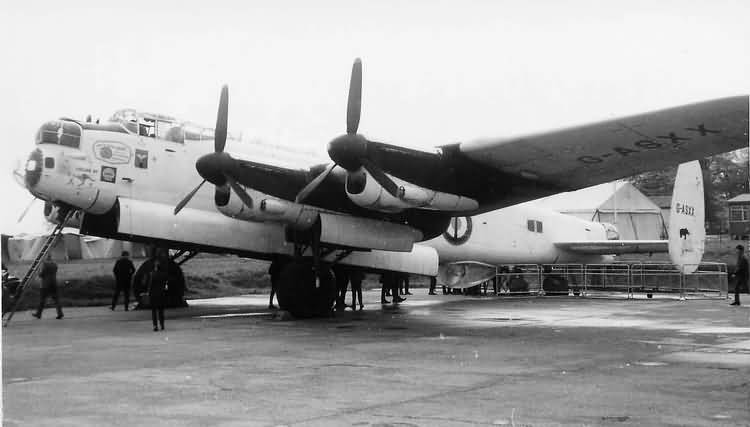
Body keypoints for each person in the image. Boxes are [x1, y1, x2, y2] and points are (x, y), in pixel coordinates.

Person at [32, 254, 63, 319]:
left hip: (45, 284)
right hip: (54, 283)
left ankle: (38, 314)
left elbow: (41, 274)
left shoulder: (44, 264)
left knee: (42, 300)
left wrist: (38, 272)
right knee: (56, 299)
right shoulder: (55, 264)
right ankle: (60, 313)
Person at [148, 259, 169, 331]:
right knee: (161, 311)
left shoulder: (153, 274)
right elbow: (166, 284)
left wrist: (149, 293)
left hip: (154, 295)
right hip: (161, 294)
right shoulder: (164, 275)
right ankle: (162, 325)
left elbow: (150, 285)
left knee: (154, 311)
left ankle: (155, 326)